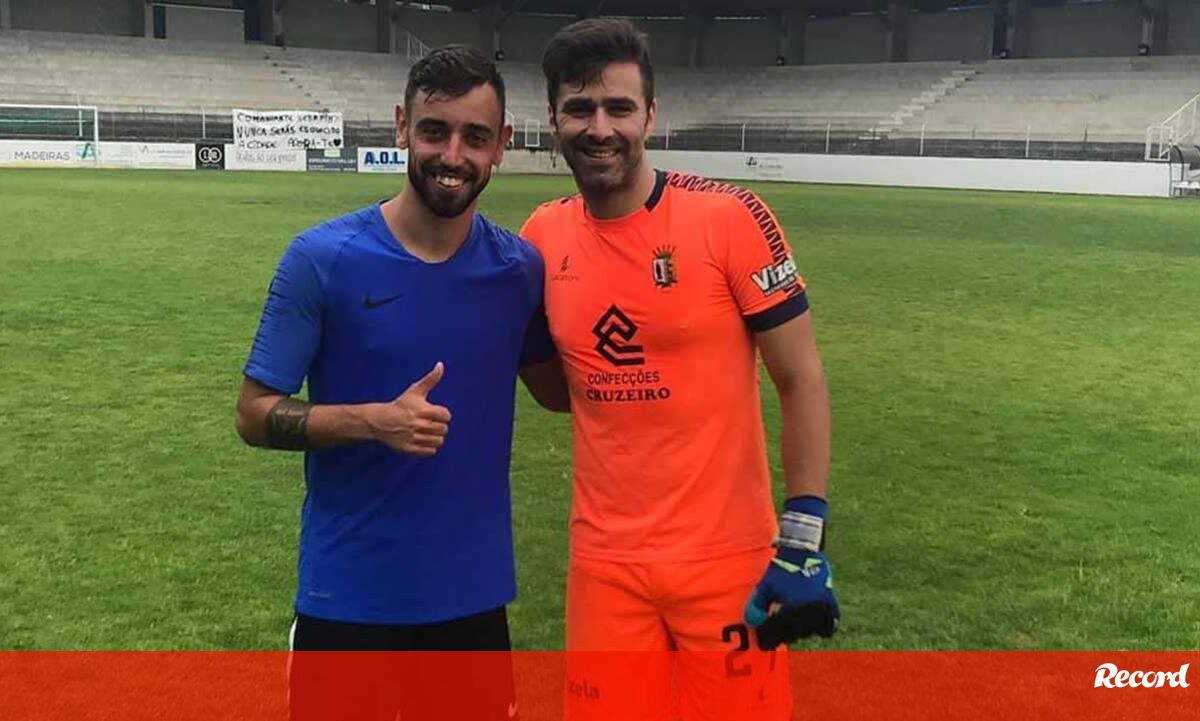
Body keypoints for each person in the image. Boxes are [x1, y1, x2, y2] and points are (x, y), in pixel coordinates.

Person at [520, 18, 840, 721]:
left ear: (650, 115)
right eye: (579, 108)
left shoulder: (729, 217)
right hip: (605, 565)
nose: (599, 128)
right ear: (552, 118)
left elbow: (801, 380)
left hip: (727, 560)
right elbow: (564, 394)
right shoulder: (541, 236)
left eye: (619, 108)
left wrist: (803, 535)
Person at [234, 45, 565, 720]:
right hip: (348, 597)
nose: (453, 156)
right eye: (434, 130)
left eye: (476, 136)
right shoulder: (321, 259)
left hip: (472, 600)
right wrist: (371, 421)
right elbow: (253, 413)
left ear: (502, 144)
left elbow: (561, 392)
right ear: (401, 127)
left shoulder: (518, 271)